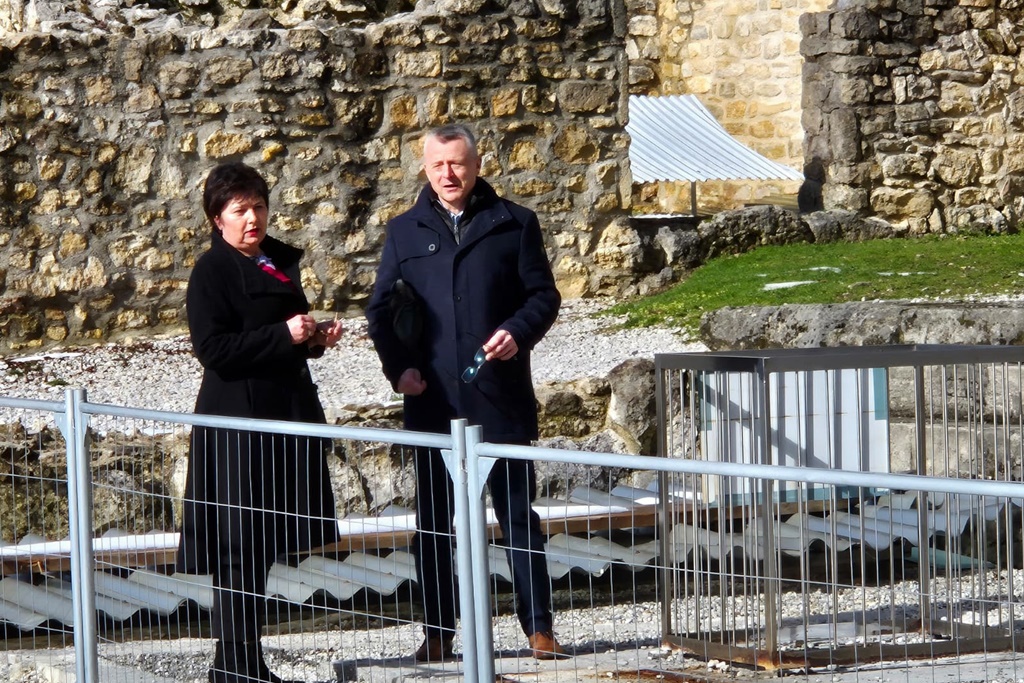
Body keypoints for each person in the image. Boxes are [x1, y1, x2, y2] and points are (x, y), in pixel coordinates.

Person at [365, 124, 565, 662]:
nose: (448, 174)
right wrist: (398, 371)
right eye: (438, 165)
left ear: (477, 165)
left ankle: (539, 629)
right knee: (433, 523)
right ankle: (437, 633)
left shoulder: (515, 223)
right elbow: (380, 312)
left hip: (500, 397)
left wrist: (518, 332)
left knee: (518, 517)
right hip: (432, 400)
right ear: (425, 168)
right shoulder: (403, 232)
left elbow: (543, 296)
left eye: (457, 163)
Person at [176, 161, 344, 683]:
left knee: (264, 544)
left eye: (259, 207)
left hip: (282, 417)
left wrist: (313, 339)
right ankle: (235, 667)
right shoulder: (212, 271)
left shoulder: (274, 262)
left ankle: (241, 665)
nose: (253, 219)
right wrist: (284, 335)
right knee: (238, 548)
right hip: (237, 425)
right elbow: (213, 350)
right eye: (240, 210)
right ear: (217, 218)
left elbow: (280, 335)